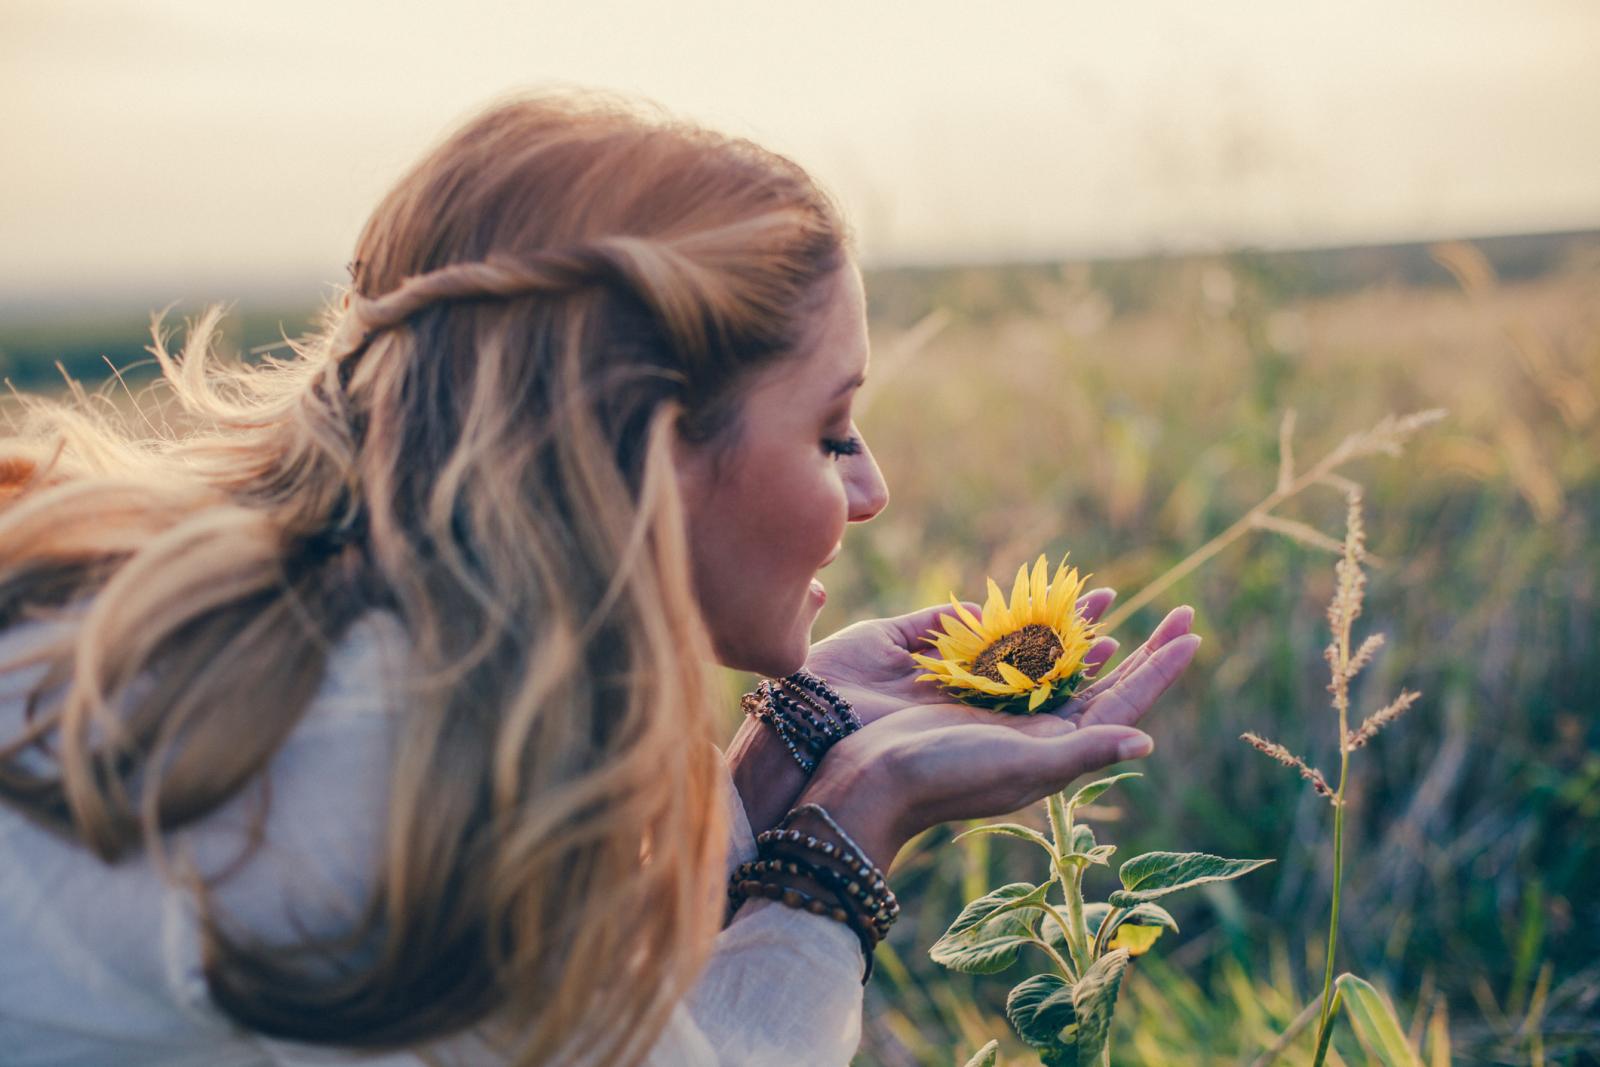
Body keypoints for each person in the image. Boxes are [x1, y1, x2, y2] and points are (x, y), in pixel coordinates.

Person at [0, 90, 1200, 1066]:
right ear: (648, 455)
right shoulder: (390, 786)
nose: (870, 488)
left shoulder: (292, 635)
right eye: (831, 432)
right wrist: (844, 844)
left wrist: (784, 755)